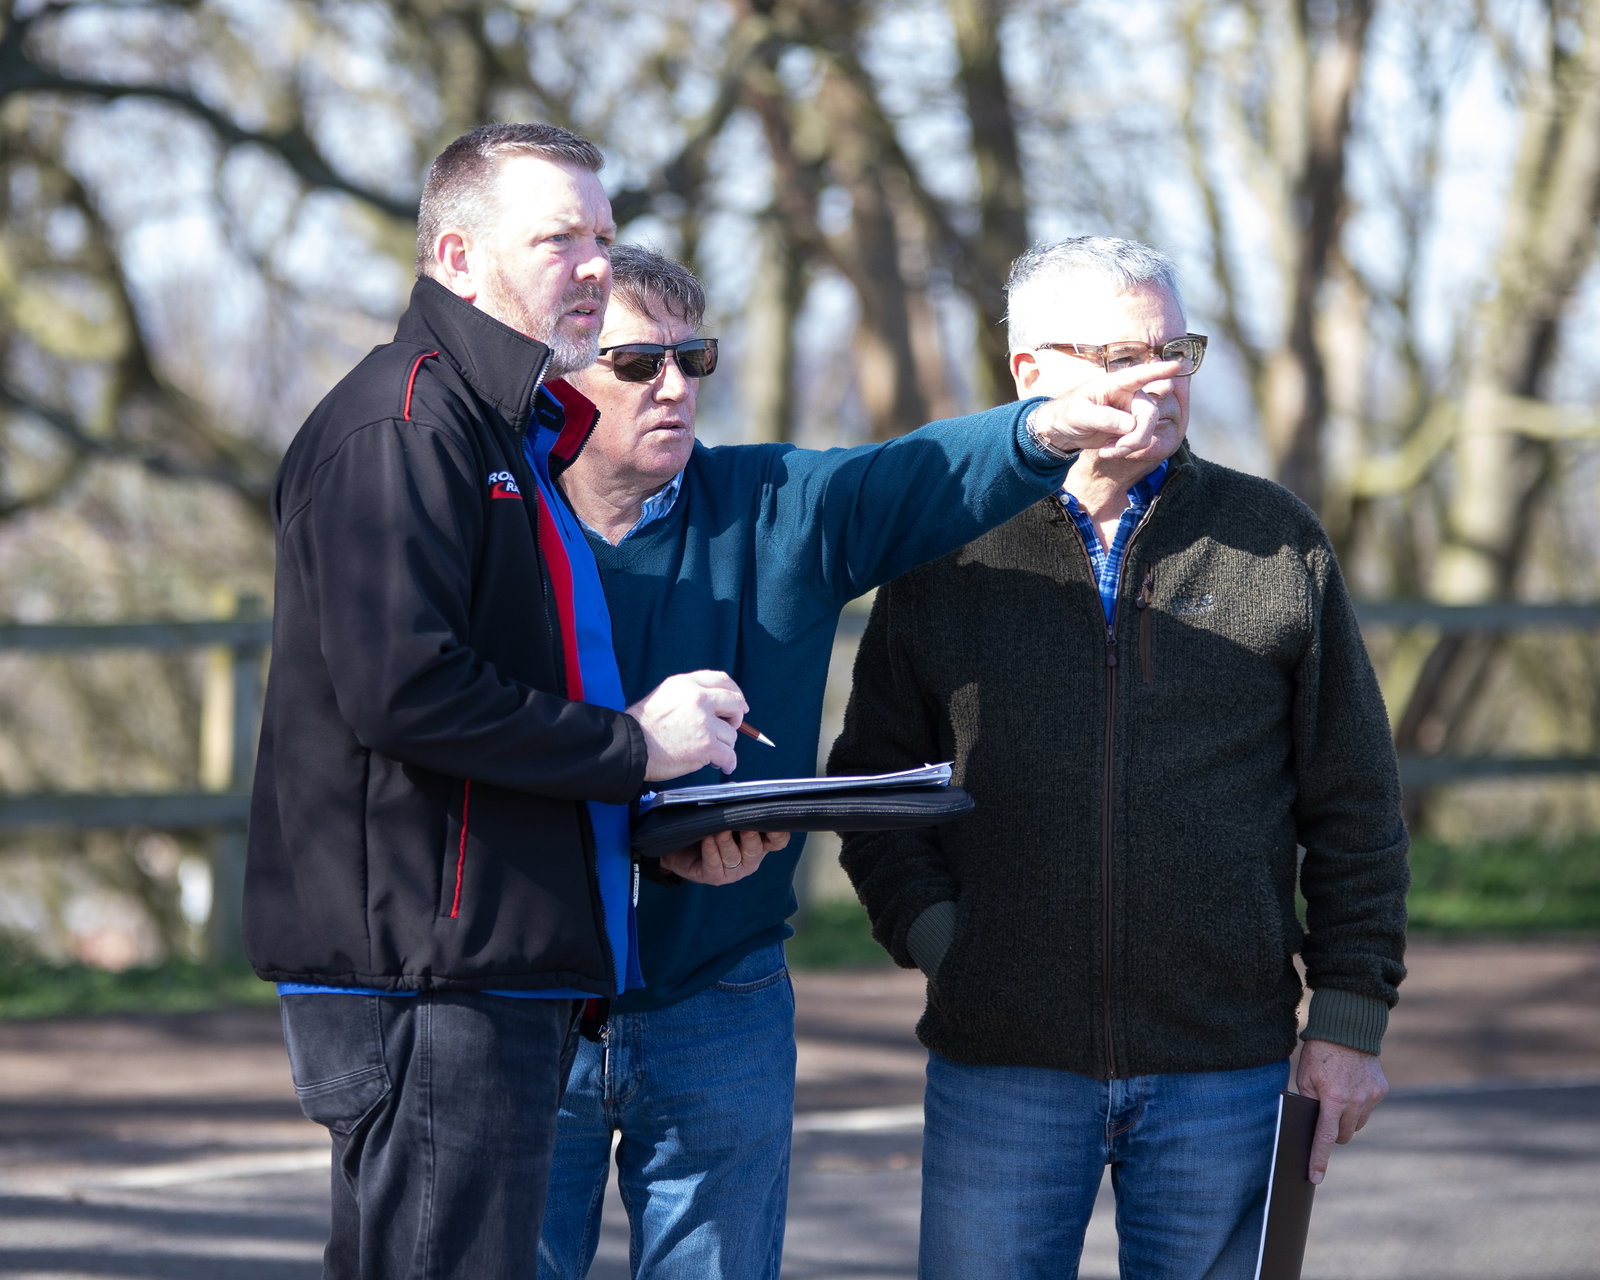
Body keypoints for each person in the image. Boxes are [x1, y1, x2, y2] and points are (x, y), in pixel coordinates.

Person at [536, 243, 1177, 1279]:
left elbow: (917, 475)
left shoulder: (779, 503)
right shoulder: (495, 531)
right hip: (532, 1005)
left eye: (692, 360)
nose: (674, 387)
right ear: (557, 372)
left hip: (721, 998)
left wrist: (1044, 426)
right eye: (635, 363)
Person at [244, 124, 776, 1280]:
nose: (594, 263)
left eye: (603, 234)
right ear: (458, 253)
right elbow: (407, 688)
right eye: (558, 237)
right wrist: (635, 745)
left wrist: (653, 824)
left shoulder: (505, 432)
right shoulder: (405, 426)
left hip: (493, 971)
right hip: (429, 983)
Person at [828, 236, 1410, 1280]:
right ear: (1031, 374)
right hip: (1000, 1056)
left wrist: (1350, 1019)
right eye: (1120, 355)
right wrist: (944, 937)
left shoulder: (1274, 537)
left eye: (1175, 348)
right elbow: (875, 780)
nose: (1163, 379)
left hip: (1223, 1063)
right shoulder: (945, 544)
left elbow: (1355, 801)